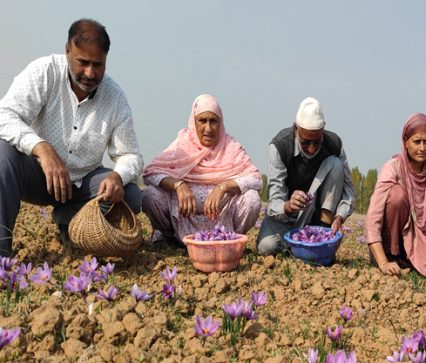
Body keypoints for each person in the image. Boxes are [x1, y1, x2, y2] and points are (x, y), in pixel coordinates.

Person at [0, 18, 143, 256]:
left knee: (131, 195)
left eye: (97, 65)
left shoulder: (115, 96)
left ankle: (69, 220)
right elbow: (5, 115)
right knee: (2, 154)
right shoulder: (44, 72)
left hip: (83, 186)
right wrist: (41, 148)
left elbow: (130, 154)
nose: (90, 73)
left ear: (106, 58)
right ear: (68, 51)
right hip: (38, 176)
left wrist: (118, 175)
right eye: (83, 62)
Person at [141, 94, 261, 243]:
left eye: (213, 121)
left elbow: (256, 179)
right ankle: (170, 237)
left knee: (252, 199)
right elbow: (150, 174)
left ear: (221, 123)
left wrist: (222, 187)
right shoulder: (183, 144)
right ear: (194, 122)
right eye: (202, 121)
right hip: (181, 216)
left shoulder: (230, 146)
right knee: (149, 195)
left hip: (223, 219)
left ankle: (230, 240)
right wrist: (178, 185)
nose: (208, 128)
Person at [256, 97, 354, 255]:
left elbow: (349, 190)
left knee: (335, 164)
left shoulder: (334, 144)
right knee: (266, 247)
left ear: (323, 129)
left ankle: (322, 233)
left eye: (317, 142)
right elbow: (274, 201)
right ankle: (299, 245)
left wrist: (339, 218)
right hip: (286, 217)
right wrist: (288, 206)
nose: (311, 149)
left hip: (316, 214)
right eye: (305, 142)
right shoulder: (280, 146)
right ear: (296, 129)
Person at [365, 113, 426, 280]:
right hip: (391, 240)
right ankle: (392, 256)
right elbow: (374, 214)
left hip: (420, 235)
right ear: (405, 142)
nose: (422, 148)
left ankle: (408, 258)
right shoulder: (393, 167)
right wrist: (382, 262)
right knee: (397, 195)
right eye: (416, 142)